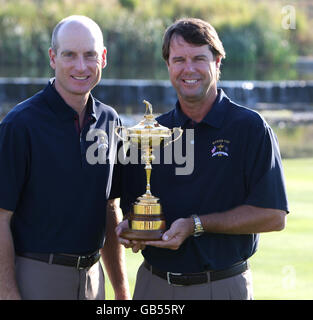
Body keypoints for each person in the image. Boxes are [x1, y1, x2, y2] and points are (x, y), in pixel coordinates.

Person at [114, 18, 288, 300]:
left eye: (199, 58)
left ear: (217, 62)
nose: (189, 69)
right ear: (168, 66)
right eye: (179, 59)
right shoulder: (149, 133)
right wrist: (130, 228)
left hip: (220, 286)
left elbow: (273, 215)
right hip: (152, 285)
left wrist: (196, 224)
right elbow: (135, 210)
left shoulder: (250, 128)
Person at [0, 15, 130, 300]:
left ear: (103, 57)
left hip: (93, 281)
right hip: (35, 279)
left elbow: (110, 208)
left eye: (89, 55)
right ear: (53, 57)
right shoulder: (19, 125)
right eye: (69, 55)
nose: (81, 66)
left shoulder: (110, 121)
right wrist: (9, 295)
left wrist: (121, 290)